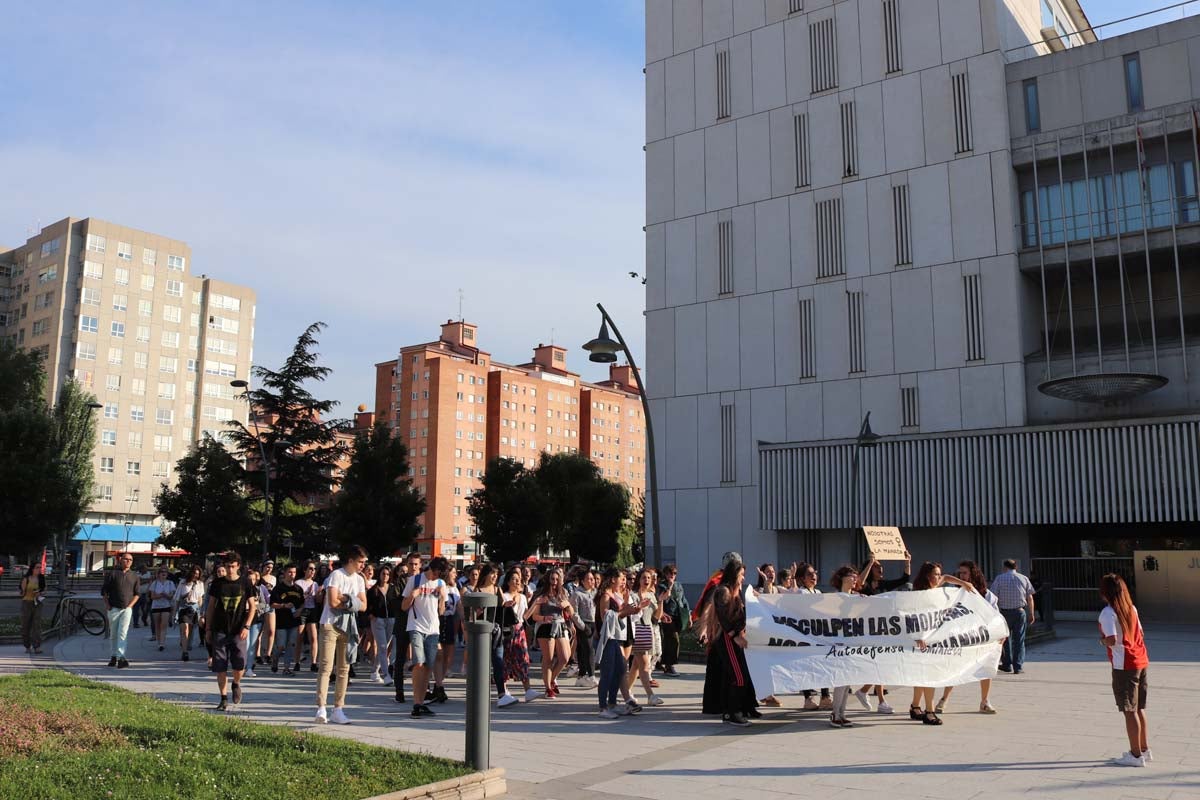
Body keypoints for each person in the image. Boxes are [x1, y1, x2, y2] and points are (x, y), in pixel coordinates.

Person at [908, 561, 977, 726]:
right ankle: (929, 712)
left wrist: (963, 583)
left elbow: (946, 577)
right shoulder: (920, 594)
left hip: (932, 640)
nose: (938, 577)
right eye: (935, 574)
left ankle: (915, 707)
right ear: (927, 576)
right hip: (921, 640)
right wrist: (917, 637)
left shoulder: (934, 589)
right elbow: (912, 617)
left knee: (921, 676)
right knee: (928, 676)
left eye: (938, 574)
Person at [1099, 573, 1152, 767]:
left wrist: (1102, 641)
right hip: (1140, 659)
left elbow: (1112, 640)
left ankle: (1135, 755)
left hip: (1124, 665)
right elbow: (1141, 632)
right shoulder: (1132, 608)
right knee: (1139, 708)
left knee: (1129, 710)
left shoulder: (1108, 613)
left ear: (1105, 592)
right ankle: (1145, 749)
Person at [314, 544, 369, 725]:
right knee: (326, 667)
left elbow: (364, 605)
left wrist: (346, 598)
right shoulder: (336, 575)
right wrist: (351, 601)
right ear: (351, 560)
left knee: (344, 669)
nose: (363, 566)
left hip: (349, 625)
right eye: (361, 562)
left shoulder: (360, 579)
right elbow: (332, 602)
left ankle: (338, 708)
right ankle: (321, 707)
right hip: (330, 624)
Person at [701, 557, 759, 727]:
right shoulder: (723, 592)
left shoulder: (735, 591)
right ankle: (733, 712)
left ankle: (730, 712)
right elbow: (724, 618)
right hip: (727, 639)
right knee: (739, 676)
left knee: (737, 676)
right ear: (734, 574)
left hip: (734, 638)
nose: (743, 578)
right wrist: (735, 636)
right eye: (741, 574)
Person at [937, 561, 1000, 714]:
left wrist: (1001, 633)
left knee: (986, 668)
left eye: (964, 573)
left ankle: (984, 701)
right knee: (954, 668)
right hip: (960, 638)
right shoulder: (954, 592)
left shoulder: (986, 594)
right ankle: (944, 699)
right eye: (960, 573)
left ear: (973, 574)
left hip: (981, 638)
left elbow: (995, 616)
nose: (962, 576)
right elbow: (942, 580)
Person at [853, 550, 911, 714]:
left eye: (881, 567)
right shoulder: (864, 586)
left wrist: (907, 561)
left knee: (880, 664)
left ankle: (865, 691)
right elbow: (858, 584)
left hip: (882, 630)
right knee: (879, 664)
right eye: (878, 568)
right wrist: (871, 562)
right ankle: (880, 700)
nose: (881, 570)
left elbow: (904, 579)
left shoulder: (884, 585)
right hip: (867, 630)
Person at [204, 552, 256, 711]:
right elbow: (211, 606)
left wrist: (247, 626)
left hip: (238, 629)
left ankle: (236, 683)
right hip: (219, 629)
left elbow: (252, 607)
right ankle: (223, 698)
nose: (230, 569)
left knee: (239, 662)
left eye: (233, 566)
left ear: (238, 566)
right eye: (227, 566)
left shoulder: (245, 583)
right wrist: (208, 628)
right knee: (220, 666)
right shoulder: (217, 584)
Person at [404, 555, 449, 717]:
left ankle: (420, 703)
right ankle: (416, 703)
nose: (437, 576)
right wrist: (412, 596)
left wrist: (442, 598)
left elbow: (441, 612)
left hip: (433, 629)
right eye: (437, 573)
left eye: (441, 575)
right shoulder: (415, 580)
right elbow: (403, 606)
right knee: (419, 663)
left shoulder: (440, 583)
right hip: (416, 626)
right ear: (432, 568)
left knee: (428, 666)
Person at [595, 567, 641, 719]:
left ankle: (612, 704)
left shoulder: (613, 595)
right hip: (608, 639)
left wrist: (630, 609)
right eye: (621, 578)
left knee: (620, 669)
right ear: (613, 579)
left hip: (615, 638)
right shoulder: (606, 597)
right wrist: (626, 612)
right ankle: (603, 707)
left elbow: (616, 615)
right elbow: (605, 619)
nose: (624, 581)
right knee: (607, 673)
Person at [528, 567, 575, 699]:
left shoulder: (563, 593)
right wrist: (544, 618)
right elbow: (534, 616)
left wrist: (567, 606)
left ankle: (552, 679)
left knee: (565, 657)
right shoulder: (541, 595)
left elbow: (571, 612)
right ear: (548, 580)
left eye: (557, 579)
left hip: (560, 625)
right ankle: (548, 688)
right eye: (552, 579)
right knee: (548, 659)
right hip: (546, 627)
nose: (554, 581)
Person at [827, 564, 862, 727]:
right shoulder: (835, 598)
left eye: (856, 576)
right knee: (841, 679)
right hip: (839, 643)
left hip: (852, 642)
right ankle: (835, 713)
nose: (855, 579)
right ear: (842, 578)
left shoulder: (857, 597)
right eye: (851, 576)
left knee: (848, 680)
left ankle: (842, 712)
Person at [795, 562, 832, 711]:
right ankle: (808, 698)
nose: (813, 576)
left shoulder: (817, 592)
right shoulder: (801, 593)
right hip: (806, 635)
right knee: (807, 667)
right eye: (809, 574)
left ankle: (825, 696)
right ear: (802, 579)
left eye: (814, 573)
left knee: (823, 665)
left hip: (819, 635)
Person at [500, 566, 538, 703]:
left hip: (520, 630)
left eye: (519, 580)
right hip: (507, 631)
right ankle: (503, 690)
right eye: (514, 579)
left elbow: (525, 616)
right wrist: (506, 605)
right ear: (508, 581)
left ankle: (527, 689)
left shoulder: (522, 597)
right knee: (505, 659)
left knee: (523, 658)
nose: (517, 582)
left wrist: (535, 604)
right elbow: (502, 615)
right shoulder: (504, 596)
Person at [992, 559, 1036, 674]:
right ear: (1015, 567)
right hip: (1019, 612)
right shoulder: (1024, 578)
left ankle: (1007, 664)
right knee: (1019, 640)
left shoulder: (999, 578)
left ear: (1005, 567)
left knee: (1005, 639)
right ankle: (1018, 666)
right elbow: (1030, 597)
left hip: (1004, 613)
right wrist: (1031, 613)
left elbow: (993, 597)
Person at [101, 552, 140, 668]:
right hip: (114, 608)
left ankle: (121, 658)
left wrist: (130, 606)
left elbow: (137, 594)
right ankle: (113, 656)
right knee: (113, 634)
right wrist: (107, 605)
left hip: (126, 608)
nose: (128, 561)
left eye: (130, 560)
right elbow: (104, 591)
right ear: (120, 560)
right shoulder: (112, 574)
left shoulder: (134, 576)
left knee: (122, 633)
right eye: (126, 559)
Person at [367, 565, 402, 684]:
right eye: (383, 574)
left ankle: (374, 671)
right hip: (378, 620)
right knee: (382, 646)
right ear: (379, 574)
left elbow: (398, 603)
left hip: (391, 620)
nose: (385, 576)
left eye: (387, 574)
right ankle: (386, 675)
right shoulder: (374, 590)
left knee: (384, 647)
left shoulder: (393, 588)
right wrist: (371, 614)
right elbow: (367, 604)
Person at [433, 565, 461, 702]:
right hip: (438, 619)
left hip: (450, 620)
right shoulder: (439, 586)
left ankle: (440, 683)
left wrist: (464, 621)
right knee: (438, 653)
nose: (455, 575)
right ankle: (435, 684)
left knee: (448, 655)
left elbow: (459, 608)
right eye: (453, 572)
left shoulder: (455, 589)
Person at [269, 564, 304, 675]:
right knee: (281, 645)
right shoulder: (278, 588)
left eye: (294, 572)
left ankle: (286, 668)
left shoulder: (298, 589)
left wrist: (300, 610)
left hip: (294, 621)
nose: (292, 574)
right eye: (289, 572)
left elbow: (303, 603)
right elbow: (272, 604)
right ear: (284, 573)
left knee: (291, 644)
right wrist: (283, 606)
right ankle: (275, 658)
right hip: (281, 621)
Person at [657, 565, 689, 678]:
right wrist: (669, 587)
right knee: (673, 640)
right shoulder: (661, 586)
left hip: (678, 615)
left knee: (669, 640)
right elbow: (663, 600)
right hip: (667, 616)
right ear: (665, 574)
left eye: (674, 573)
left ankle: (663, 662)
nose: (672, 576)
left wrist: (689, 615)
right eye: (670, 573)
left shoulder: (679, 585)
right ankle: (669, 665)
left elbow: (683, 600)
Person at [569, 569, 598, 688]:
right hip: (583, 623)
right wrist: (583, 626)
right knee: (589, 650)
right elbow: (574, 613)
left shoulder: (595, 592)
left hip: (593, 623)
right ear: (582, 581)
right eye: (589, 579)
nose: (592, 581)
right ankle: (591, 675)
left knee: (582, 650)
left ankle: (581, 676)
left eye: (593, 579)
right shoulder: (577, 594)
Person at [173, 566, 206, 662]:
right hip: (184, 607)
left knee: (191, 629)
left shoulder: (200, 584)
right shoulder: (183, 583)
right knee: (185, 629)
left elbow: (200, 598)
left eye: (198, 574)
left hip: (194, 608)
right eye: (194, 573)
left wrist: (200, 612)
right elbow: (177, 598)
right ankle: (185, 652)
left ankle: (186, 644)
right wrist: (174, 612)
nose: (196, 576)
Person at [243, 568, 271, 679]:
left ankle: (249, 668)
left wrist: (256, 606)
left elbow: (266, 605)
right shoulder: (242, 590)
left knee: (252, 645)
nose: (252, 581)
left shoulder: (259, 590)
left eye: (254, 579)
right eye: (249, 579)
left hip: (257, 619)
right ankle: (243, 665)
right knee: (245, 643)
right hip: (244, 619)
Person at [294, 561, 321, 673]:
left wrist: (319, 593)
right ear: (305, 570)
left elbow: (318, 600)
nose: (312, 571)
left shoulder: (315, 584)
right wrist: (305, 595)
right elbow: (296, 599)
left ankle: (313, 662)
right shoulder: (298, 583)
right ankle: (297, 662)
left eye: (314, 569)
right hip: (302, 610)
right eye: (310, 568)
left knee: (314, 637)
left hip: (312, 610)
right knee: (299, 636)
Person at [19, 564, 46, 654]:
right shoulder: (26, 578)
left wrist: (40, 593)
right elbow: (21, 593)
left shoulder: (41, 578)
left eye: (40, 567)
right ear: (32, 569)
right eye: (37, 567)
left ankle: (37, 646)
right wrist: (23, 591)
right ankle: (27, 645)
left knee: (37, 625)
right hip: (27, 602)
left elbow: (44, 589)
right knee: (26, 625)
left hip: (38, 602)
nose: (39, 569)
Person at [148, 567, 177, 653]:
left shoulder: (170, 583)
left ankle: (162, 643)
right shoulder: (155, 583)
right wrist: (161, 595)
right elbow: (152, 596)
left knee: (164, 624)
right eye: (162, 572)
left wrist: (165, 595)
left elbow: (171, 596)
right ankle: (158, 642)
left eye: (165, 572)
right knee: (157, 625)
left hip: (166, 606)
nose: (164, 573)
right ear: (159, 574)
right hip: (156, 606)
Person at [256, 561, 277, 667]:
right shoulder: (258, 577)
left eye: (271, 567)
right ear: (263, 567)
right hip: (260, 605)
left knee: (271, 631)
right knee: (259, 631)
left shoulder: (274, 578)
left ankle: (268, 654)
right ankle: (258, 654)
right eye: (267, 567)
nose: (269, 569)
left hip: (270, 605)